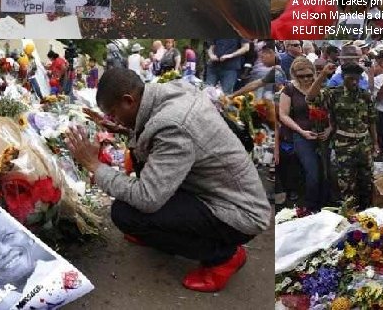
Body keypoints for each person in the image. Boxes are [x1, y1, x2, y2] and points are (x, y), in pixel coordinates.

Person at [66, 67, 270, 292]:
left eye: (113, 113)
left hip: (239, 213)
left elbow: (147, 197)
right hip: (221, 192)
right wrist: (125, 129)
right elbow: (155, 142)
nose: (112, 119)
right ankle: (157, 232)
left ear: (128, 100)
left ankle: (224, 257)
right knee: (135, 205)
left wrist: (94, 165)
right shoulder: (169, 92)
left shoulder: (172, 125)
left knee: (125, 214)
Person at [308, 61, 378, 210]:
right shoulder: (334, 93)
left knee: (366, 182)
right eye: (350, 78)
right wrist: (322, 75)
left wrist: (375, 144)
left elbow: (371, 121)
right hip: (344, 145)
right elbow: (310, 98)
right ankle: (350, 215)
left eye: (356, 79)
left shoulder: (365, 95)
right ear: (343, 77)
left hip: (364, 143)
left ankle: (367, 213)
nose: (353, 82)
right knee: (347, 185)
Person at [278, 57, 329, 211]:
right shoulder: (289, 89)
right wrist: (301, 131)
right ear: (294, 75)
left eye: (309, 75)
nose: (306, 79)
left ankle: (327, 205)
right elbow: (283, 114)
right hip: (302, 135)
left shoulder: (321, 86)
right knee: (312, 173)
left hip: (323, 134)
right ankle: (311, 207)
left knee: (327, 172)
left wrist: (330, 129)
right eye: (301, 76)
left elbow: (332, 110)